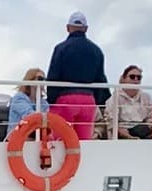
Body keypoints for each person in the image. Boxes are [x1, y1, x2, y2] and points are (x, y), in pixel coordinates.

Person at [45, 11, 108, 140]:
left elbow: (53, 76)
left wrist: (52, 100)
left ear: (68, 28)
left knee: (60, 141)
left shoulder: (61, 48)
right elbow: (101, 79)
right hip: (88, 100)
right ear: (86, 29)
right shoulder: (96, 50)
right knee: (83, 142)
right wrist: (96, 100)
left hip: (65, 99)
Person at [99, 66, 152, 139]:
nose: (136, 79)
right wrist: (126, 135)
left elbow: (150, 117)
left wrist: (149, 127)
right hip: (121, 132)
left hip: (142, 130)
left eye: (139, 77)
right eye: (132, 77)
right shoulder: (115, 98)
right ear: (124, 79)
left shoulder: (146, 97)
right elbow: (111, 121)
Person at [6, 68, 47, 136]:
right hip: (17, 138)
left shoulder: (44, 103)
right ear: (30, 80)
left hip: (37, 137)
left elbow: (47, 120)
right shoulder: (19, 98)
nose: (43, 82)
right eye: (40, 79)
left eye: (45, 80)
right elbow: (30, 116)